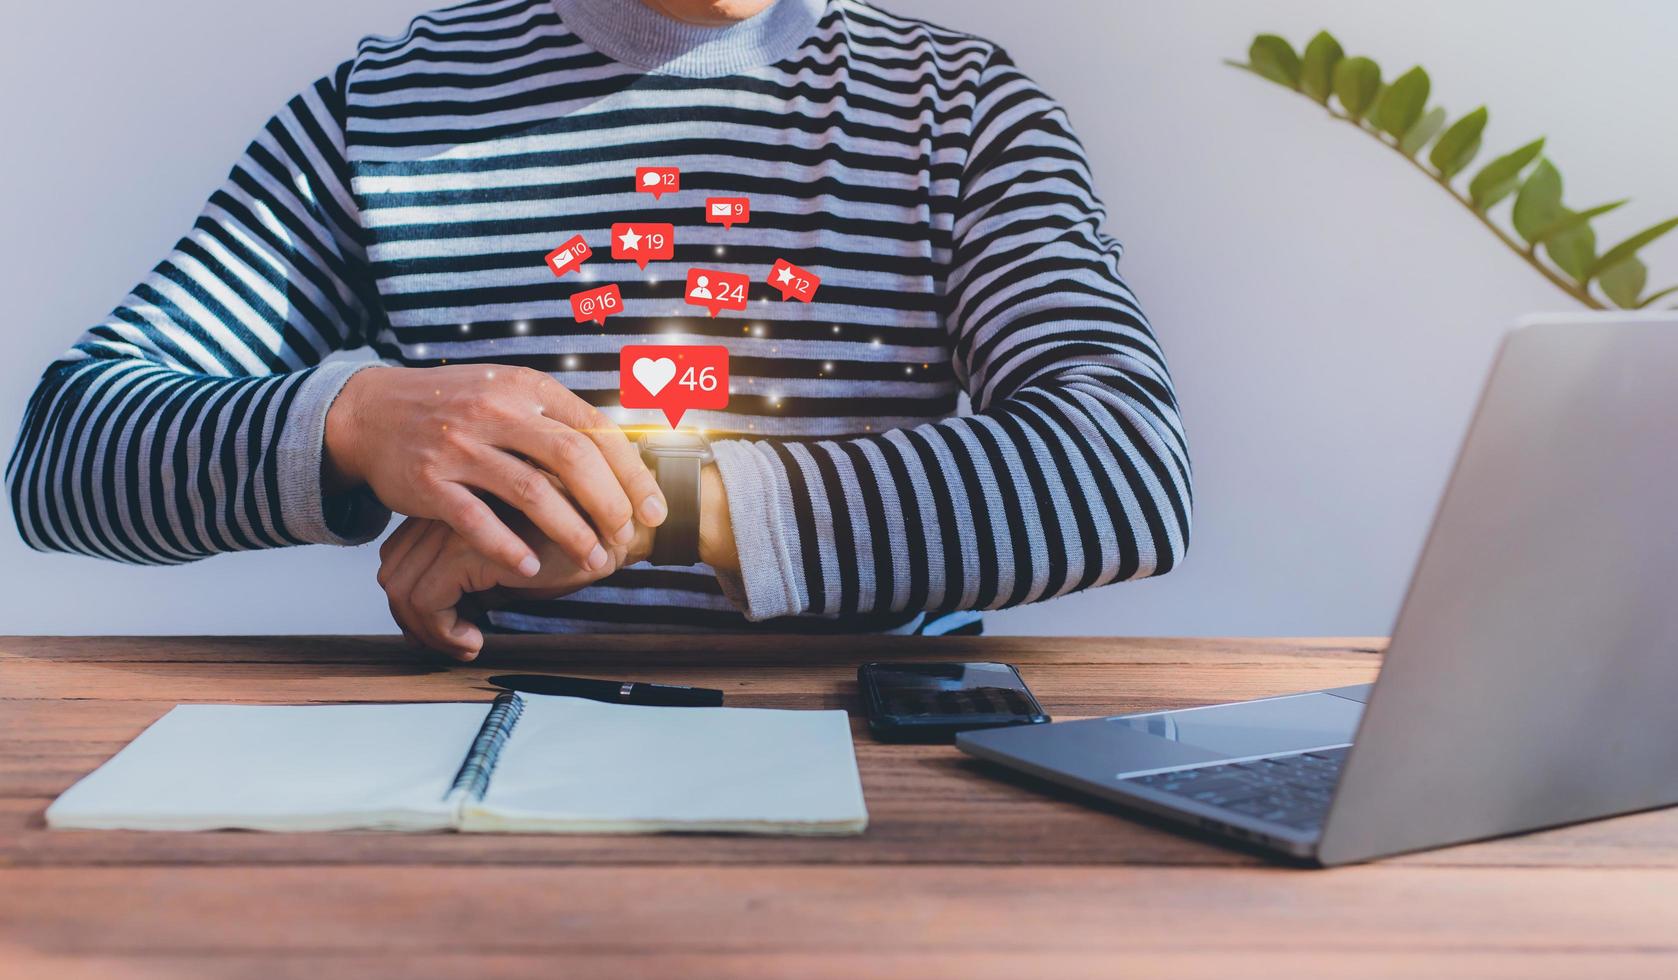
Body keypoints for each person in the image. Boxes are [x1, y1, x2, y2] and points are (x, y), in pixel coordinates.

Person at [6, 0, 1192, 657]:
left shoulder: (959, 108)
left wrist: (653, 506)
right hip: (493, 766)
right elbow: (66, 454)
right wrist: (357, 422)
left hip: (887, 778)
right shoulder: (384, 108)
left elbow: (1125, 468)